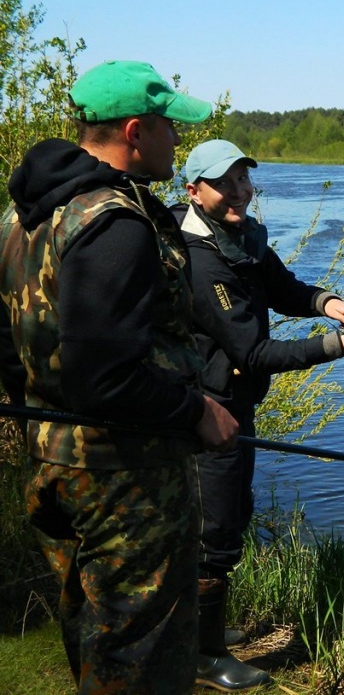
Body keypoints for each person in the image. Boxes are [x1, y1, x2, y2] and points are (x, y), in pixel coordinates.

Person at [0, 61, 239, 694]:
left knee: (95, 639)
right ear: (136, 131)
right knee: (143, 659)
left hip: (52, 465)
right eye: (168, 129)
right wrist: (196, 412)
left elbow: (7, 340)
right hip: (125, 482)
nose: (176, 143)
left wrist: (41, 410)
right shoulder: (117, 224)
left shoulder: (23, 218)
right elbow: (105, 377)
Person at [173, 139, 344, 690]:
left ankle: (200, 636)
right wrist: (338, 347)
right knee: (216, 531)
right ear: (193, 190)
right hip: (208, 410)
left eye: (245, 180)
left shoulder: (242, 237)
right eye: (226, 183)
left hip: (236, 405)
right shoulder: (200, 261)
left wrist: (325, 302)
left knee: (231, 517)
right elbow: (251, 352)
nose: (240, 192)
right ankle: (202, 659)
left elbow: (281, 287)